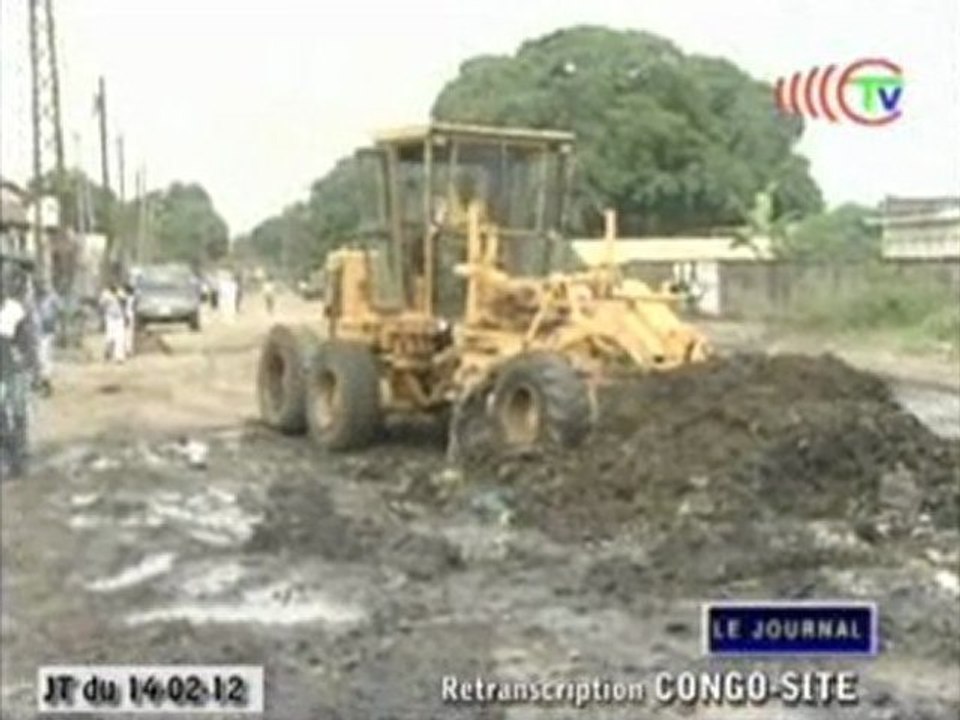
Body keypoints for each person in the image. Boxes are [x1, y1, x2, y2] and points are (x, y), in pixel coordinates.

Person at [0, 256, 39, 479]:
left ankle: (18, 459)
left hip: (14, 372)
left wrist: (33, 369)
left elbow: (27, 343)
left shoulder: (15, 311)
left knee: (16, 414)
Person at [34, 282, 61, 396]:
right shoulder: (35, 301)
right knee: (40, 358)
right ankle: (42, 381)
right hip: (37, 332)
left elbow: (58, 311)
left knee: (45, 357)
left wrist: (57, 325)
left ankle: (46, 383)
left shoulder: (51, 298)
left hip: (47, 331)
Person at [99, 284, 126, 363]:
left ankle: (119, 357)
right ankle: (107, 352)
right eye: (112, 288)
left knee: (120, 337)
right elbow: (101, 305)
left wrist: (120, 298)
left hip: (119, 317)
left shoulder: (120, 293)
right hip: (110, 317)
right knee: (110, 337)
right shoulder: (105, 294)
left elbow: (124, 302)